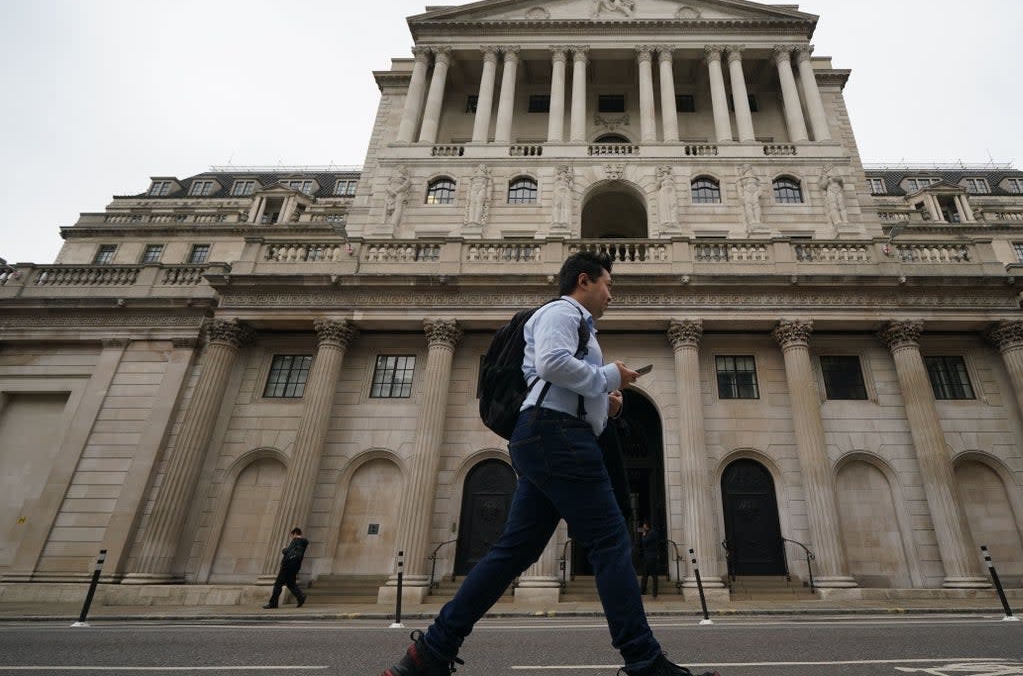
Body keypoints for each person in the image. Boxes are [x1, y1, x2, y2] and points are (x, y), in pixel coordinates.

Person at [377, 252, 718, 676]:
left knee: (513, 551)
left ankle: (429, 654)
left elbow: (561, 381)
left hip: (547, 435)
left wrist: (606, 406)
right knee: (611, 542)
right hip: (556, 435)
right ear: (584, 280)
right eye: (608, 284)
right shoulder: (561, 311)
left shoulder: (579, 325)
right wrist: (610, 376)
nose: (612, 294)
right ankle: (644, 662)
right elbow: (552, 365)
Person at [263, 527, 307, 609]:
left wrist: (284, 549)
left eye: (292, 535)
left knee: (278, 584)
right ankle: (301, 596)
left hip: (287, 566)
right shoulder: (304, 542)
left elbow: (287, 551)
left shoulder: (295, 541)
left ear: (294, 534)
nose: (291, 537)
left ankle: (273, 603)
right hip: (295, 567)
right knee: (291, 584)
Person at [638, 521, 661, 599]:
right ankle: (650, 592)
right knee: (649, 575)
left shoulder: (651, 533)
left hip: (650, 557)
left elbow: (645, 542)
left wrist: (643, 535)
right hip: (651, 556)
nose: (643, 527)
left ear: (647, 526)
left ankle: (646, 591)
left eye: (644, 525)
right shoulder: (653, 532)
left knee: (648, 575)